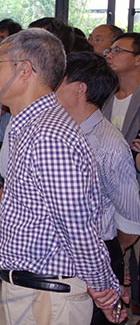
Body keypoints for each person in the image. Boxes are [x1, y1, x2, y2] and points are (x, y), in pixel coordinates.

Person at [0, 28, 124, 324]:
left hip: (46, 294)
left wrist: (103, 287)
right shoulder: (32, 125)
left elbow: (77, 226)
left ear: (25, 70)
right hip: (34, 290)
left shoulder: (49, 135)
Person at [56, 51, 140, 325]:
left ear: (80, 89)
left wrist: (110, 251)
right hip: (61, 253)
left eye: (59, 80)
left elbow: (131, 219)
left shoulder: (109, 145)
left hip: (99, 250)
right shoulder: (59, 132)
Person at [102, 32, 140, 144]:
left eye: (117, 51)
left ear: (138, 60)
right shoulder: (104, 94)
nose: (109, 56)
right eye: (109, 51)